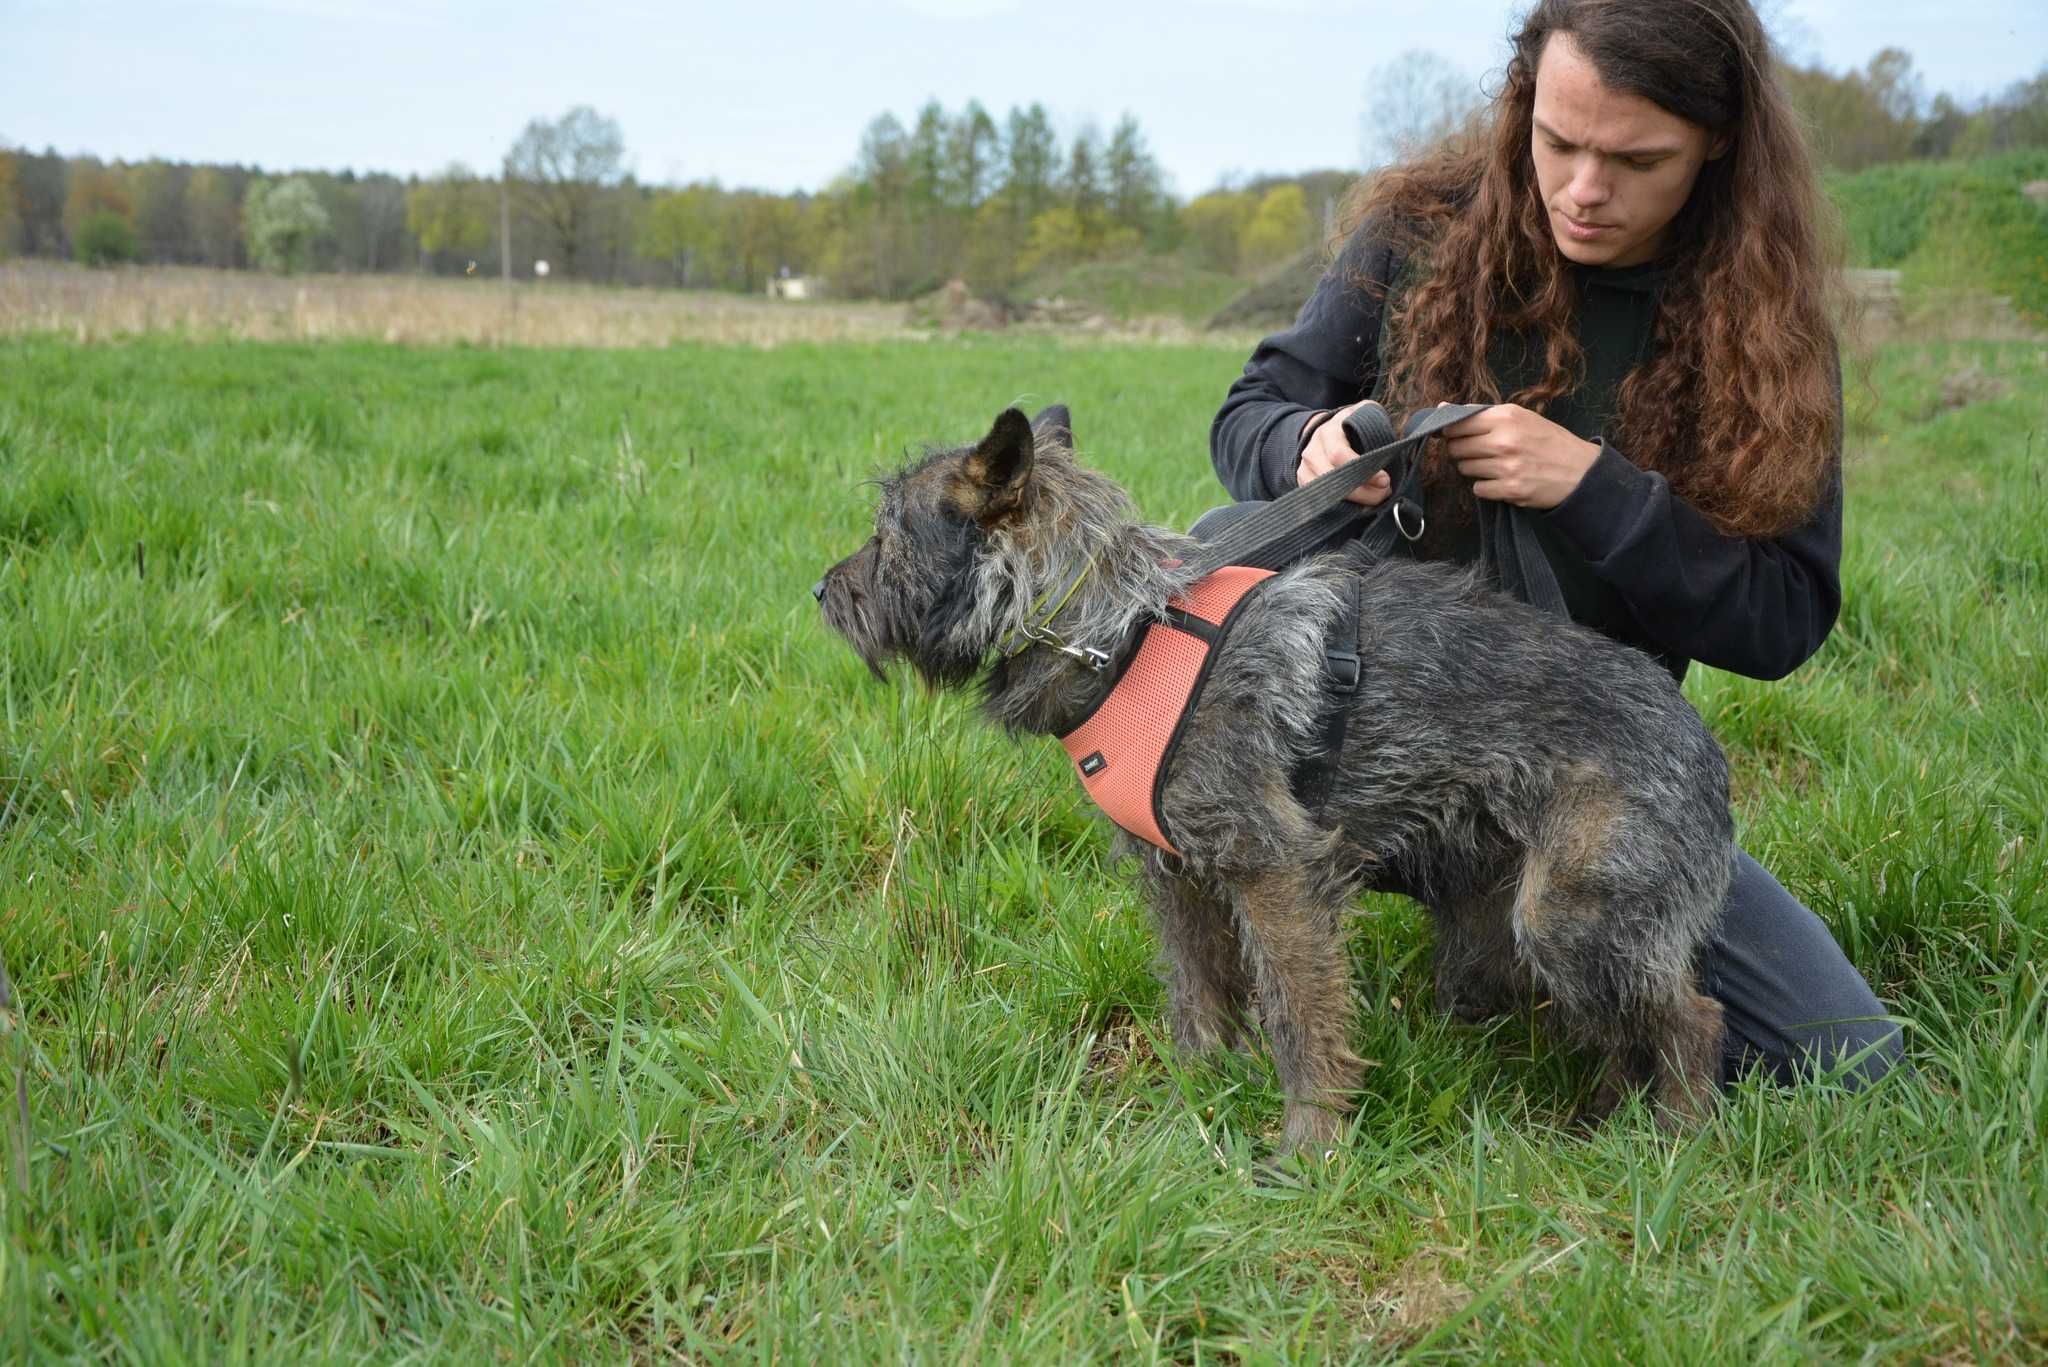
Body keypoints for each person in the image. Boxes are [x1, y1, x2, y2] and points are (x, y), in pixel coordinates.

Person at [1206, 0, 1902, 1089]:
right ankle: (1357, 955)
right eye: (1557, 143)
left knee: (1844, 1058)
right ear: (1522, 105)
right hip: (1366, 760)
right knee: (1211, 649)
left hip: (1584, 776)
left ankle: (1512, 937)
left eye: (1634, 159)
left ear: (1714, 143)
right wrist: (1305, 442)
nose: (1582, 189)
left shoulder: (1763, 320)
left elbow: (1778, 618)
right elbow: (1247, 411)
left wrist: (1598, 492)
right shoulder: (1419, 230)